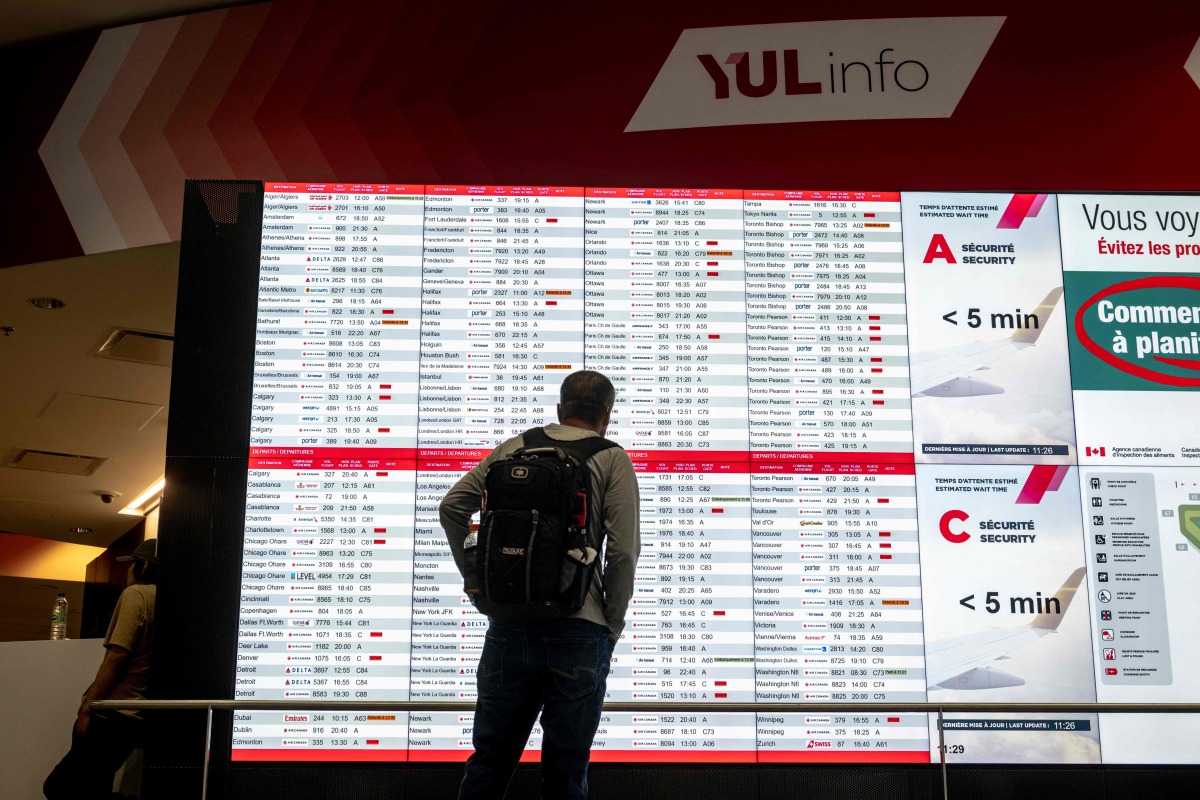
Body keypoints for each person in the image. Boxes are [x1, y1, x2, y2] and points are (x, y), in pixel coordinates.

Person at [440, 370, 640, 800]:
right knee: (565, 772)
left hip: (508, 627)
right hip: (578, 629)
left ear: (559, 409)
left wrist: (475, 581)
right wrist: (612, 625)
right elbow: (622, 552)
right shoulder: (611, 458)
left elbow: (453, 507)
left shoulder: (514, 447)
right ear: (607, 415)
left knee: (490, 763)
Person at [44, 538, 158, 800]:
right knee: (81, 786)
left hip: (112, 712)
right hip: (134, 715)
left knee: (66, 789)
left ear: (141, 566)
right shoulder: (166, 599)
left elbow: (117, 656)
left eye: (131, 565)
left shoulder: (136, 594)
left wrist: (88, 706)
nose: (126, 571)